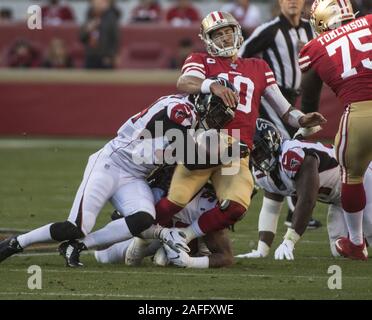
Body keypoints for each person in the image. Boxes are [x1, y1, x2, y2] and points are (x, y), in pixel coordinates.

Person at [154, 11, 326, 251]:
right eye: (218, 33)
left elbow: (286, 111)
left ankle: (184, 237)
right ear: (207, 38)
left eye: (228, 32)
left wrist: (303, 119)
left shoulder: (257, 66)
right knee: (176, 201)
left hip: (238, 151)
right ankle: (142, 237)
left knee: (236, 206)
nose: (225, 38)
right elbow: (184, 82)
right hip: (206, 143)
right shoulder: (201, 59)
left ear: (237, 33)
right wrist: (211, 85)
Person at [0, 91, 233, 267]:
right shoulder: (181, 109)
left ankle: (76, 246)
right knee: (76, 226)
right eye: (216, 113)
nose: (215, 121)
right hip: (110, 164)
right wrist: (227, 154)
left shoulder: (191, 121)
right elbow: (191, 160)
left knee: (143, 218)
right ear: (204, 101)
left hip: (135, 176)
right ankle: (16, 242)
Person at [236, 119, 372, 260]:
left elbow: (307, 201)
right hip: (339, 201)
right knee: (340, 252)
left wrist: (289, 241)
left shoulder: (293, 156)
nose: (257, 158)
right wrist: (262, 250)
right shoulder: (262, 173)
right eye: (252, 153)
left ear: (272, 142)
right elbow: (271, 208)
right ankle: (363, 237)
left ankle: (365, 236)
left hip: (363, 184)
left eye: (259, 151)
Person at [299, 0, 372, 260]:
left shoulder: (314, 47)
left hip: (360, 114)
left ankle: (355, 243)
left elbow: (308, 98)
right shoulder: (370, 21)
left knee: (351, 175)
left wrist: (309, 121)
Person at [239, 0, 321, 229]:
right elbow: (241, 55)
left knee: (294, 146)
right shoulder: (269, 29)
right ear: (279, 2)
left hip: (296, 96)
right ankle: (294, 209)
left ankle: (278, 198)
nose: (292, 2)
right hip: (272, 97)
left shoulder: (310, 28)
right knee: (288, 145)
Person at [95, 166, 234, 268]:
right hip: (156, 233)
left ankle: (177, 249)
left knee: (173, 253)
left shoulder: (207, 207)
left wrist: (191, 262)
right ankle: (144, 241)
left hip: (183, 237)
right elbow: (120, 222)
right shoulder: (153, 192)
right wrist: (150, 236)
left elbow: (226, 257)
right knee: (104, 256)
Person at [80, 0, 120, 69]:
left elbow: (115, 38)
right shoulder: (88, 16)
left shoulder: (111, 18)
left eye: (100, 3)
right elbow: (81, 38)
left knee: (106, 79)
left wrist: (111, 55)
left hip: (105, 57)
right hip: (90, 56)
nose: (97, 5)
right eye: (95, 3)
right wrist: (87, 30)